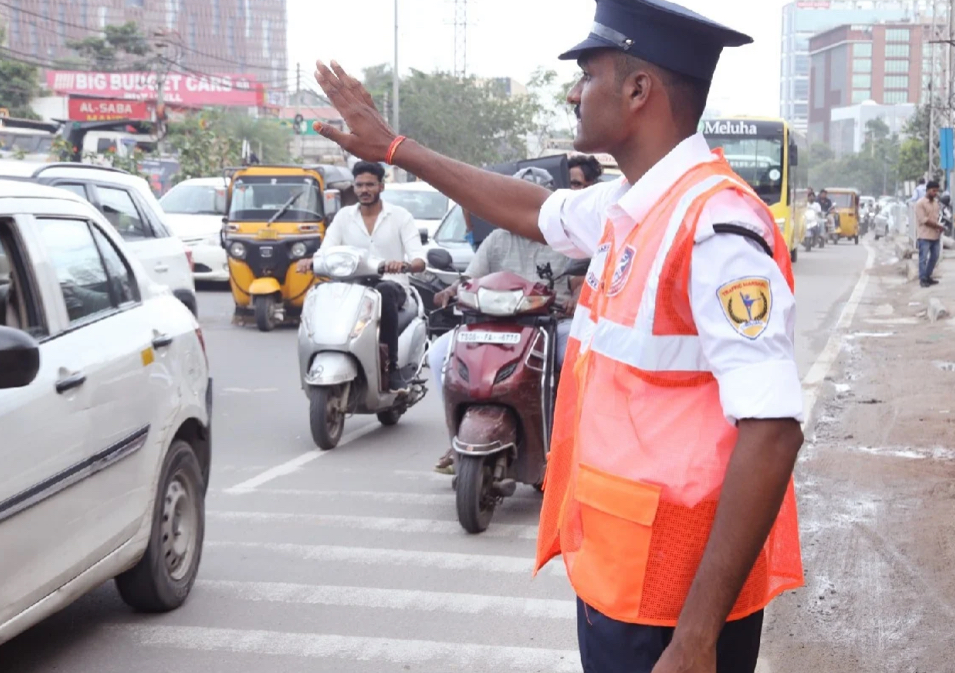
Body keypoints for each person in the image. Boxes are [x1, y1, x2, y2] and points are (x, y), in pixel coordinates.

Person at [312, 1, 805, 670]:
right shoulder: (630, 204)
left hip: (674, 604)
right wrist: (395, 149)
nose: (573, 91)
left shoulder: (715, 227)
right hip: (620, 574)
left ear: (638, 90)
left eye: (588, 73)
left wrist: (696, 636)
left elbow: (772, 428)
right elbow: (524, 206)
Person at [428, 167, 576, 475]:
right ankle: (457, 437)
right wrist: (452, 290)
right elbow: (470, 278)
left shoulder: (566, 241)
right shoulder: (497, 239)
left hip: (551, 325)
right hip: (492, 325)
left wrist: (577, 299)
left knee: (575, 359)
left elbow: (581, 282)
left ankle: (568, 440)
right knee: (439, 354)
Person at [297, 161, 426, 390]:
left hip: (392, 286)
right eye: (359, 185)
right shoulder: (343, 217)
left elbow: (419, 259)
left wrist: (404, 265)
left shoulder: (400, 217)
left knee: (383, 292)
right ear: (354, 188)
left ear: (381, 187)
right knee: (319, 293)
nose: (364, 190)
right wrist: (311, 261)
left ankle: (391, 366)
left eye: (370, 185)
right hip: (350, 289)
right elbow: (326, 251)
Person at [915, 180, 943, 288]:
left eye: (936, 191)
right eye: (933, 190)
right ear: (927, 190)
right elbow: (924, 220)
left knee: (935, 257)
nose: (935, 193)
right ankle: (922, 279)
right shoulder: (920, 204)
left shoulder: (935, 203)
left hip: (935, 235)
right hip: (924, 236)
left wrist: (940, 227)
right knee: (923, 258)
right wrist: (937, 226)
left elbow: (936, 218)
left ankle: (928, 276)